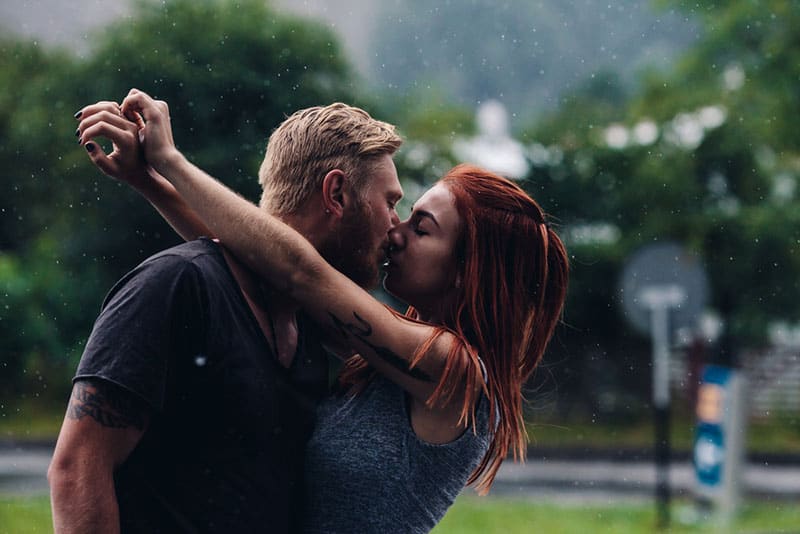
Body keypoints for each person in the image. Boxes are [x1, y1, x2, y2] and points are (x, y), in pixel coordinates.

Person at [88, 88, 570, 533]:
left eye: (421, 228)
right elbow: (265, 265)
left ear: (468, 269)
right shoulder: (390, 352)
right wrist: (147, 182)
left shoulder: (455, 373)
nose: (396, 231)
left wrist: (170, 162)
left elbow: (300, 270)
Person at [48, 100, 404, 533]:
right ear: (337, 194)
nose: (396, 223)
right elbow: (77, 471)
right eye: (389, 202)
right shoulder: (179, 285)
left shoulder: (311, 328)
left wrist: (151, 180)